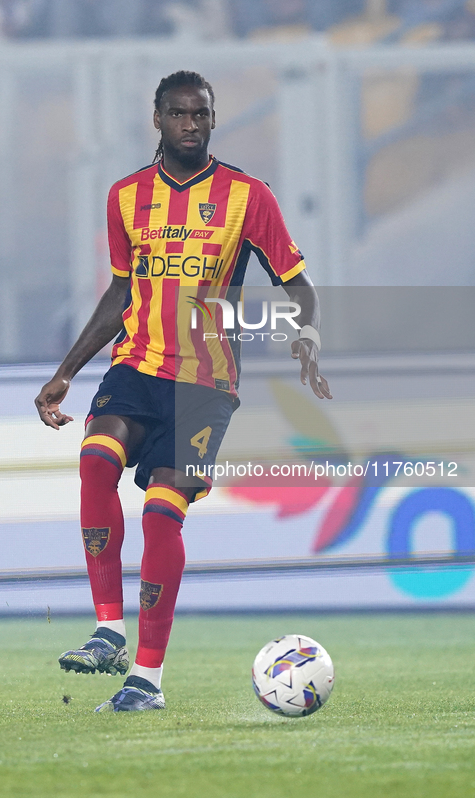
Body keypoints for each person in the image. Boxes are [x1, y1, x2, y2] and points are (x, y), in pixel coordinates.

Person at [34, 70, 331, 713]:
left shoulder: (249, 197)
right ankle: (108, 631)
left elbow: (298, 284)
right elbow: (118, 294)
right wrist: (66, 371)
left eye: (201, 114)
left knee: (162, 512)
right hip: (136, 364)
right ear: (158, 118)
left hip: (207, 383)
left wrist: (304, 334)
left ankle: (148, 678)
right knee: (94, 460)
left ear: (213, 118)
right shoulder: (125, 198)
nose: (191, 125)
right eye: (179, 114)